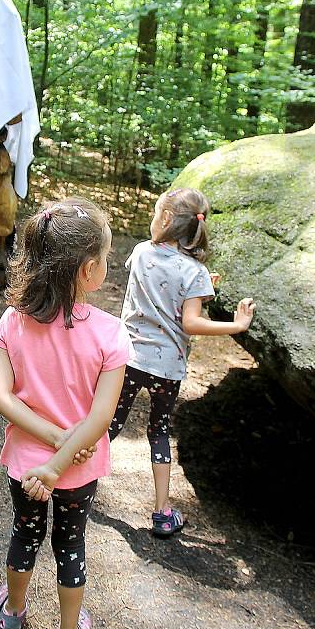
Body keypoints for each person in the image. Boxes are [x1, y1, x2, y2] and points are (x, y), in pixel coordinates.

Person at [0, 197, 133, 629]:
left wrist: (46, 448)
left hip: (25, 464)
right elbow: (99, 420)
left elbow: (0, 396)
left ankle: (13, 611)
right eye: (106, 259)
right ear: (89, 269)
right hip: (76, 466)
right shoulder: (110, 334)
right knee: (71, 544)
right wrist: (60, 457)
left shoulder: (13, 320)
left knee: (24, 534)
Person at [108, 187, 255, 538]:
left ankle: (71, 473)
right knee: (158, 432)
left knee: (109, 424)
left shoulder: (142, 252)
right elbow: (189, 321)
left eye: (156, 213)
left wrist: (198, 284)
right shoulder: (196, 272)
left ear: (167, 219)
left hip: (128, 357)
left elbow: (160, 283)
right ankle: (161, 513)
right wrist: (234, 323)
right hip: (166, 369)